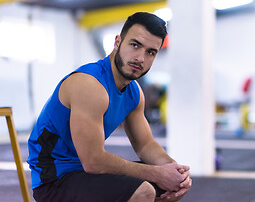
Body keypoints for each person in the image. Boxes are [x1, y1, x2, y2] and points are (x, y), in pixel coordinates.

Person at [27, 12, 192, 202]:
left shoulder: (134, 92)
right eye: (135, 45)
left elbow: (145, 145)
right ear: (117, 42)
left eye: (150, 52)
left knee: (168, 188)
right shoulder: (89, 84)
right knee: (145, 190)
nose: (140, 58)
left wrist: (175, 171)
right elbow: (93, 161)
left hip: (85, 175)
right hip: (54, 179)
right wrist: (156, 174)